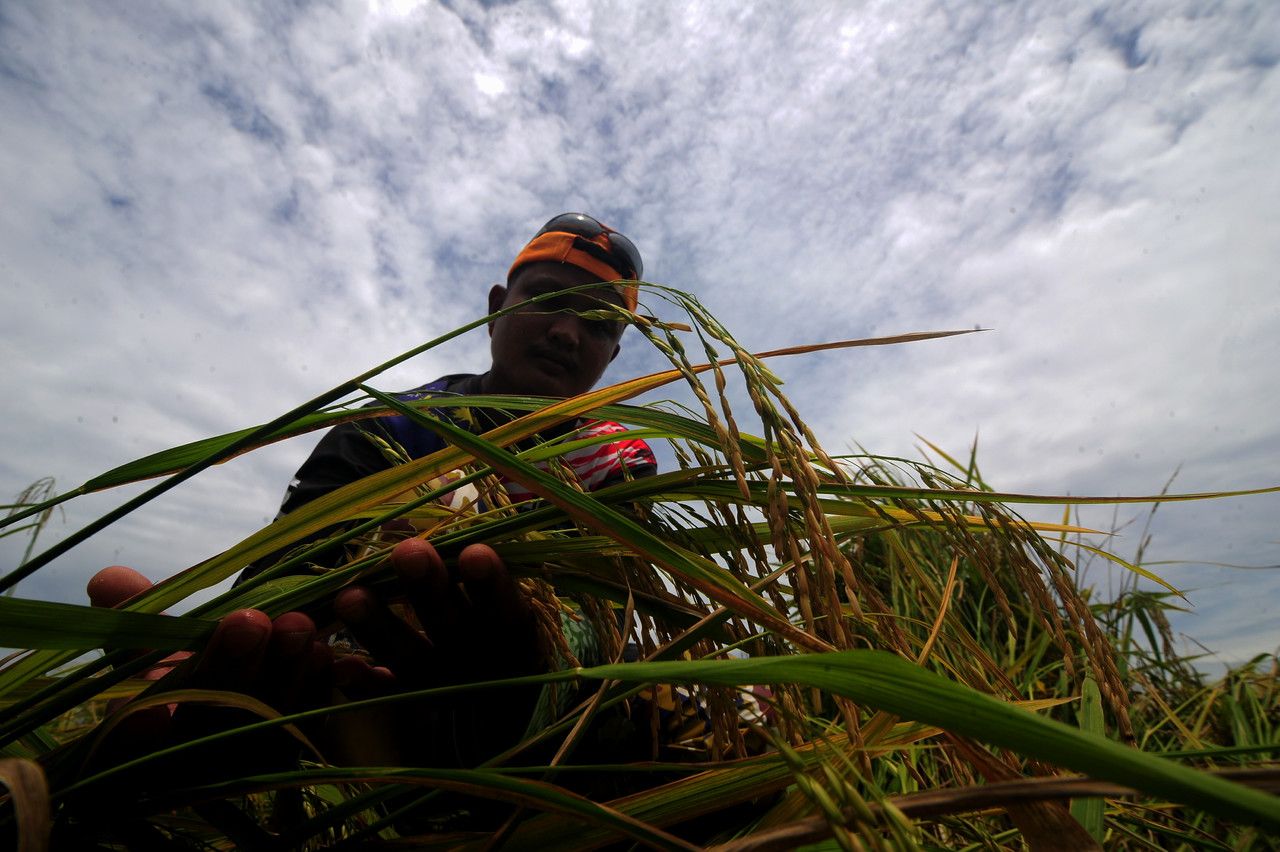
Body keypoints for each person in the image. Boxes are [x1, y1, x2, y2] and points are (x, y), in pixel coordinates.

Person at [85, 213, 659, 790]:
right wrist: (213, 677)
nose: (566, 331)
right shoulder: (390, 426)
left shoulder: (619, 461)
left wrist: (540, 683)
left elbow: (608, 613)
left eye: (599, 323)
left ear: (612, 356)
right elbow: (289, 576)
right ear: (494, 307)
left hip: (550, 747)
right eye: (545, 298)